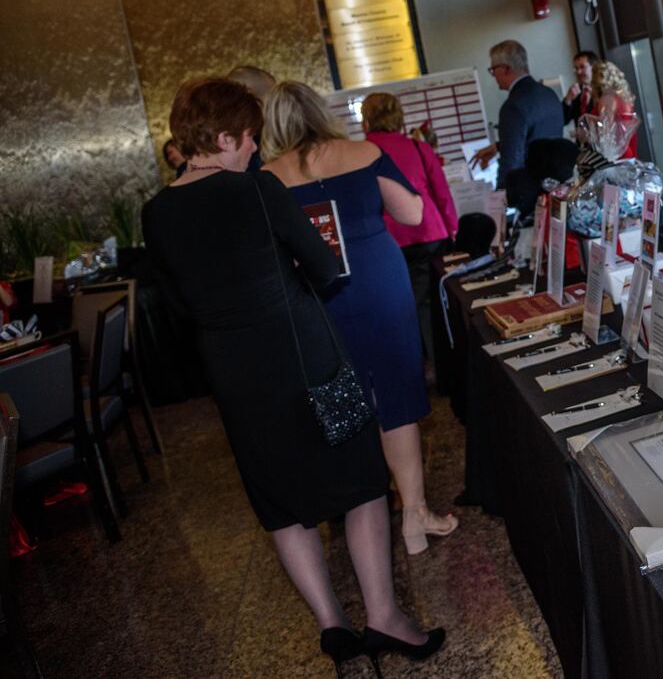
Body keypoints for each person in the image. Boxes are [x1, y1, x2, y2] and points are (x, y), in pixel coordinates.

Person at [141, 78, 443, 669]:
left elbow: (175, 307)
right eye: (249, 138)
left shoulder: (156, 214)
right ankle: (383, 616)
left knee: (281, 499)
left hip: (235, 377)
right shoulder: (256, 190)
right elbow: (326, 266)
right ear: (224, 137)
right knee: (360, 483)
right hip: (310, 358)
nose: (255, 149)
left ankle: (332, 625)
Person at [261, 82, 460, 558]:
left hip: (319, 292)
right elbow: (412, 213)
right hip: (378, 279)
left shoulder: (268, 176)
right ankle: (414, 516)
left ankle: (360, 515)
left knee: (344, 397)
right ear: (319, 111)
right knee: (395, 392)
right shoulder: (365, 151)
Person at [360, 92, 459, 363]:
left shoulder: (360, 154)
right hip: (429, 234)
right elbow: (442, 194)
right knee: (430, 303)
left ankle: (412, 366)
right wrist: (452, 227)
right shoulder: (418, 147)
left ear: (365, 120)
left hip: (386, 241)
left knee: (397, 304)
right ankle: (440, 366)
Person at [470, 40, 565, 210]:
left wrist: (498, 202)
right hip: (559, 189)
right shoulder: (549, 95)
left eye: (493, 70)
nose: (493, 75)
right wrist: (499, 145)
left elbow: (511, 162)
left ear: (505, 68)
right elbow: (540, 137)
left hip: (529, 198)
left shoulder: (513, 106)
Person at [590, 59, 638, 160]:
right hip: (627, 149)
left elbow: (606, 131)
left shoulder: (607, 99)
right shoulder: (624, 97)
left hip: (616, 153)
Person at [562, 49, 599, 125]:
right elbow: (563, 121)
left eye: (582, 67)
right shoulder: (575, 92)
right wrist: (568, 100)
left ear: (594, 67)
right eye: (576, 68)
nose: (578, 72)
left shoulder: (603, 91)